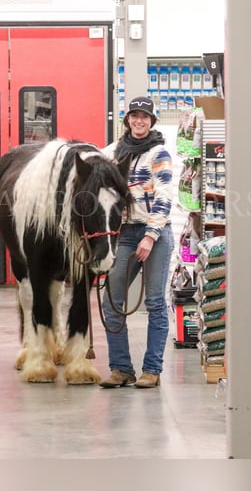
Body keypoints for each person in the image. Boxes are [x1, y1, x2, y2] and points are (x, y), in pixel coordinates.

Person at [99, 95, 174, 389]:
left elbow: (165, 196)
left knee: (155, 301)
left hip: (154, 233)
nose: (138, 121)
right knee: (112, 302)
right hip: (124, 234)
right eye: (134, 116)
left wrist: (150, 236)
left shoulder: (159, 153)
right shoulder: (114, 152)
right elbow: (89, 158)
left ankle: (151, 370)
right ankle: (121, 368)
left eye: (144, 116)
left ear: (152, 120)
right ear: (127, 120)